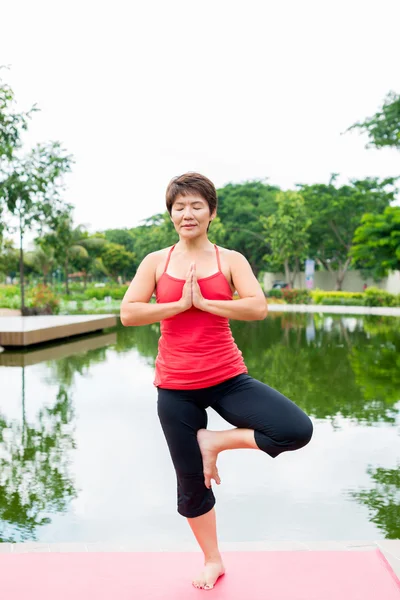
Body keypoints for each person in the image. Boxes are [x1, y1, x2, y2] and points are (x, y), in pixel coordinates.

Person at [120, 172, 314, 591]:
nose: (186, 214)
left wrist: (206, 303)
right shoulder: (157, 261)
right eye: (179, 207)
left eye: (195, 206)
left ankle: (215, 441)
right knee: (191, 483)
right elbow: (129, 312)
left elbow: (258, 307)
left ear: (211, 212)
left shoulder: (230, 260)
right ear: (171, 214)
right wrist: (177, 305)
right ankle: (213, 560)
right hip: (175, 386)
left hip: (227, 377)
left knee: (295, 429)